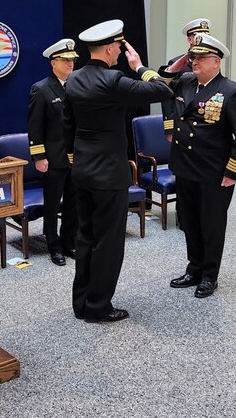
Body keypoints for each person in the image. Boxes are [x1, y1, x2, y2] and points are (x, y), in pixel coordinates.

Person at [63, 19, 173, 323]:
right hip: (109, 175)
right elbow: (162, 90)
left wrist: (76, 159)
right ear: (111, 48)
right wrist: (139, 66)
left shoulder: (73, 79)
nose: (119, 54)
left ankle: (82, 302)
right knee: (109, 242)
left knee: (85, 237)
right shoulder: (113, 80)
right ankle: (99, 307)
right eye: (119, 49)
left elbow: (67, 124)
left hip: (82, 171)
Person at [160, 33, 236, 298]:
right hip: (185, 167)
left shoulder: (230, 91)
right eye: (193, 57)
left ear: (216, 62)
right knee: (189, 222)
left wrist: (233, 171)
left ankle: (210, 275)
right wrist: (175, 66)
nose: (195, 62)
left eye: (201, 58)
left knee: (211, 225)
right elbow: (162, 86)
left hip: (213, 171)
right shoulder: (186, 83)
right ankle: (194, 268)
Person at [27, 38, 79, 266]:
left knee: (73, 202)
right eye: (66, 61)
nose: (71, 65)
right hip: (53, 157)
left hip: (75, 156)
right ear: (53, 63)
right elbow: (34, 126)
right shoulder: (41, 89)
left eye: (72, 61)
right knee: (52, 204)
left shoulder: (77, 85)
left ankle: (69, 242)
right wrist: (39, 156)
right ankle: (54, 245)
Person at [161, 18, 212, 139]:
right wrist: (170, 128)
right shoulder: (177, 63)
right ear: (189, 39)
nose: (203, 39)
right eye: (198, 36)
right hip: (183, 122)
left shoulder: (211, 63)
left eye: (206, 36)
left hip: (205, 123)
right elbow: (167, 95)